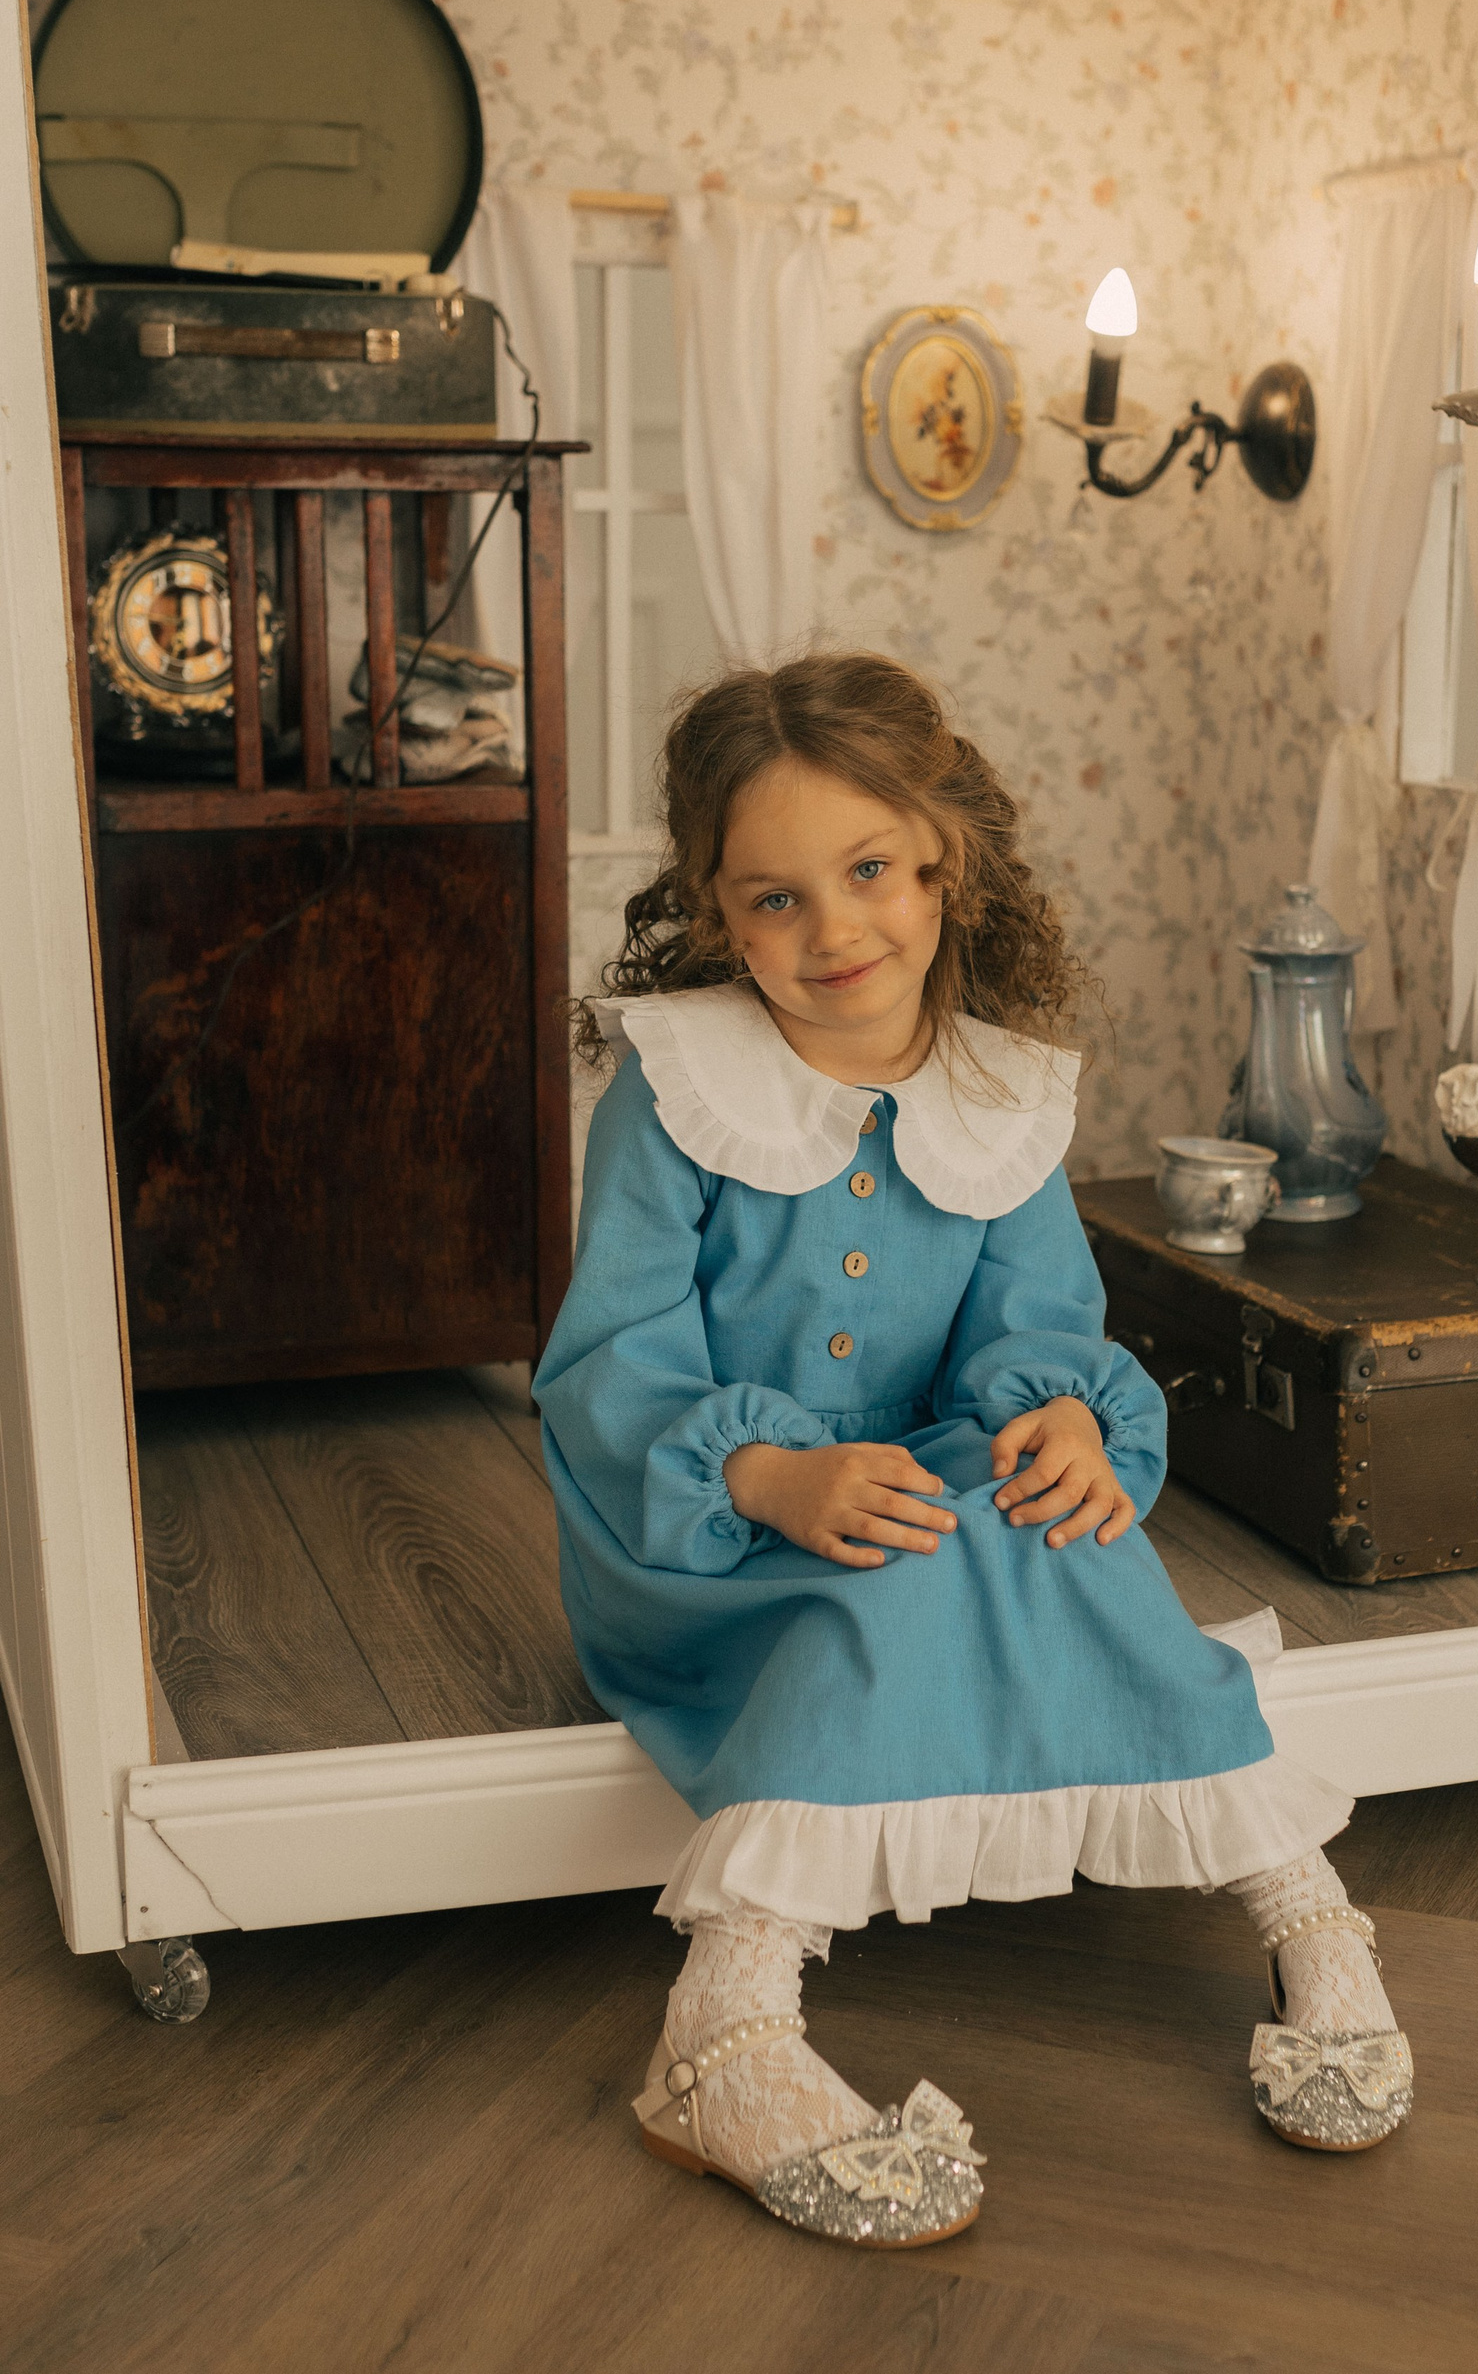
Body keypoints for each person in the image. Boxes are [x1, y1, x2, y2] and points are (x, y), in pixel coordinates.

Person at [535, 653, 1412, 2249]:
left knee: (1063, 1527)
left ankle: (1304, 1910)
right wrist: (766, 1476)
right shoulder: (672, 1098)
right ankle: (721, 2027)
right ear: (719, 914)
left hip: (919, 1485)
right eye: (775, 898)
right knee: (902, 1569)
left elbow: (1031, 1331)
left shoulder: (998, 1096)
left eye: (870, 870)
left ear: (945, 865)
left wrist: (1062, 1418)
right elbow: (611, 1366)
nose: (834, 929)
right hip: (708, 1533)